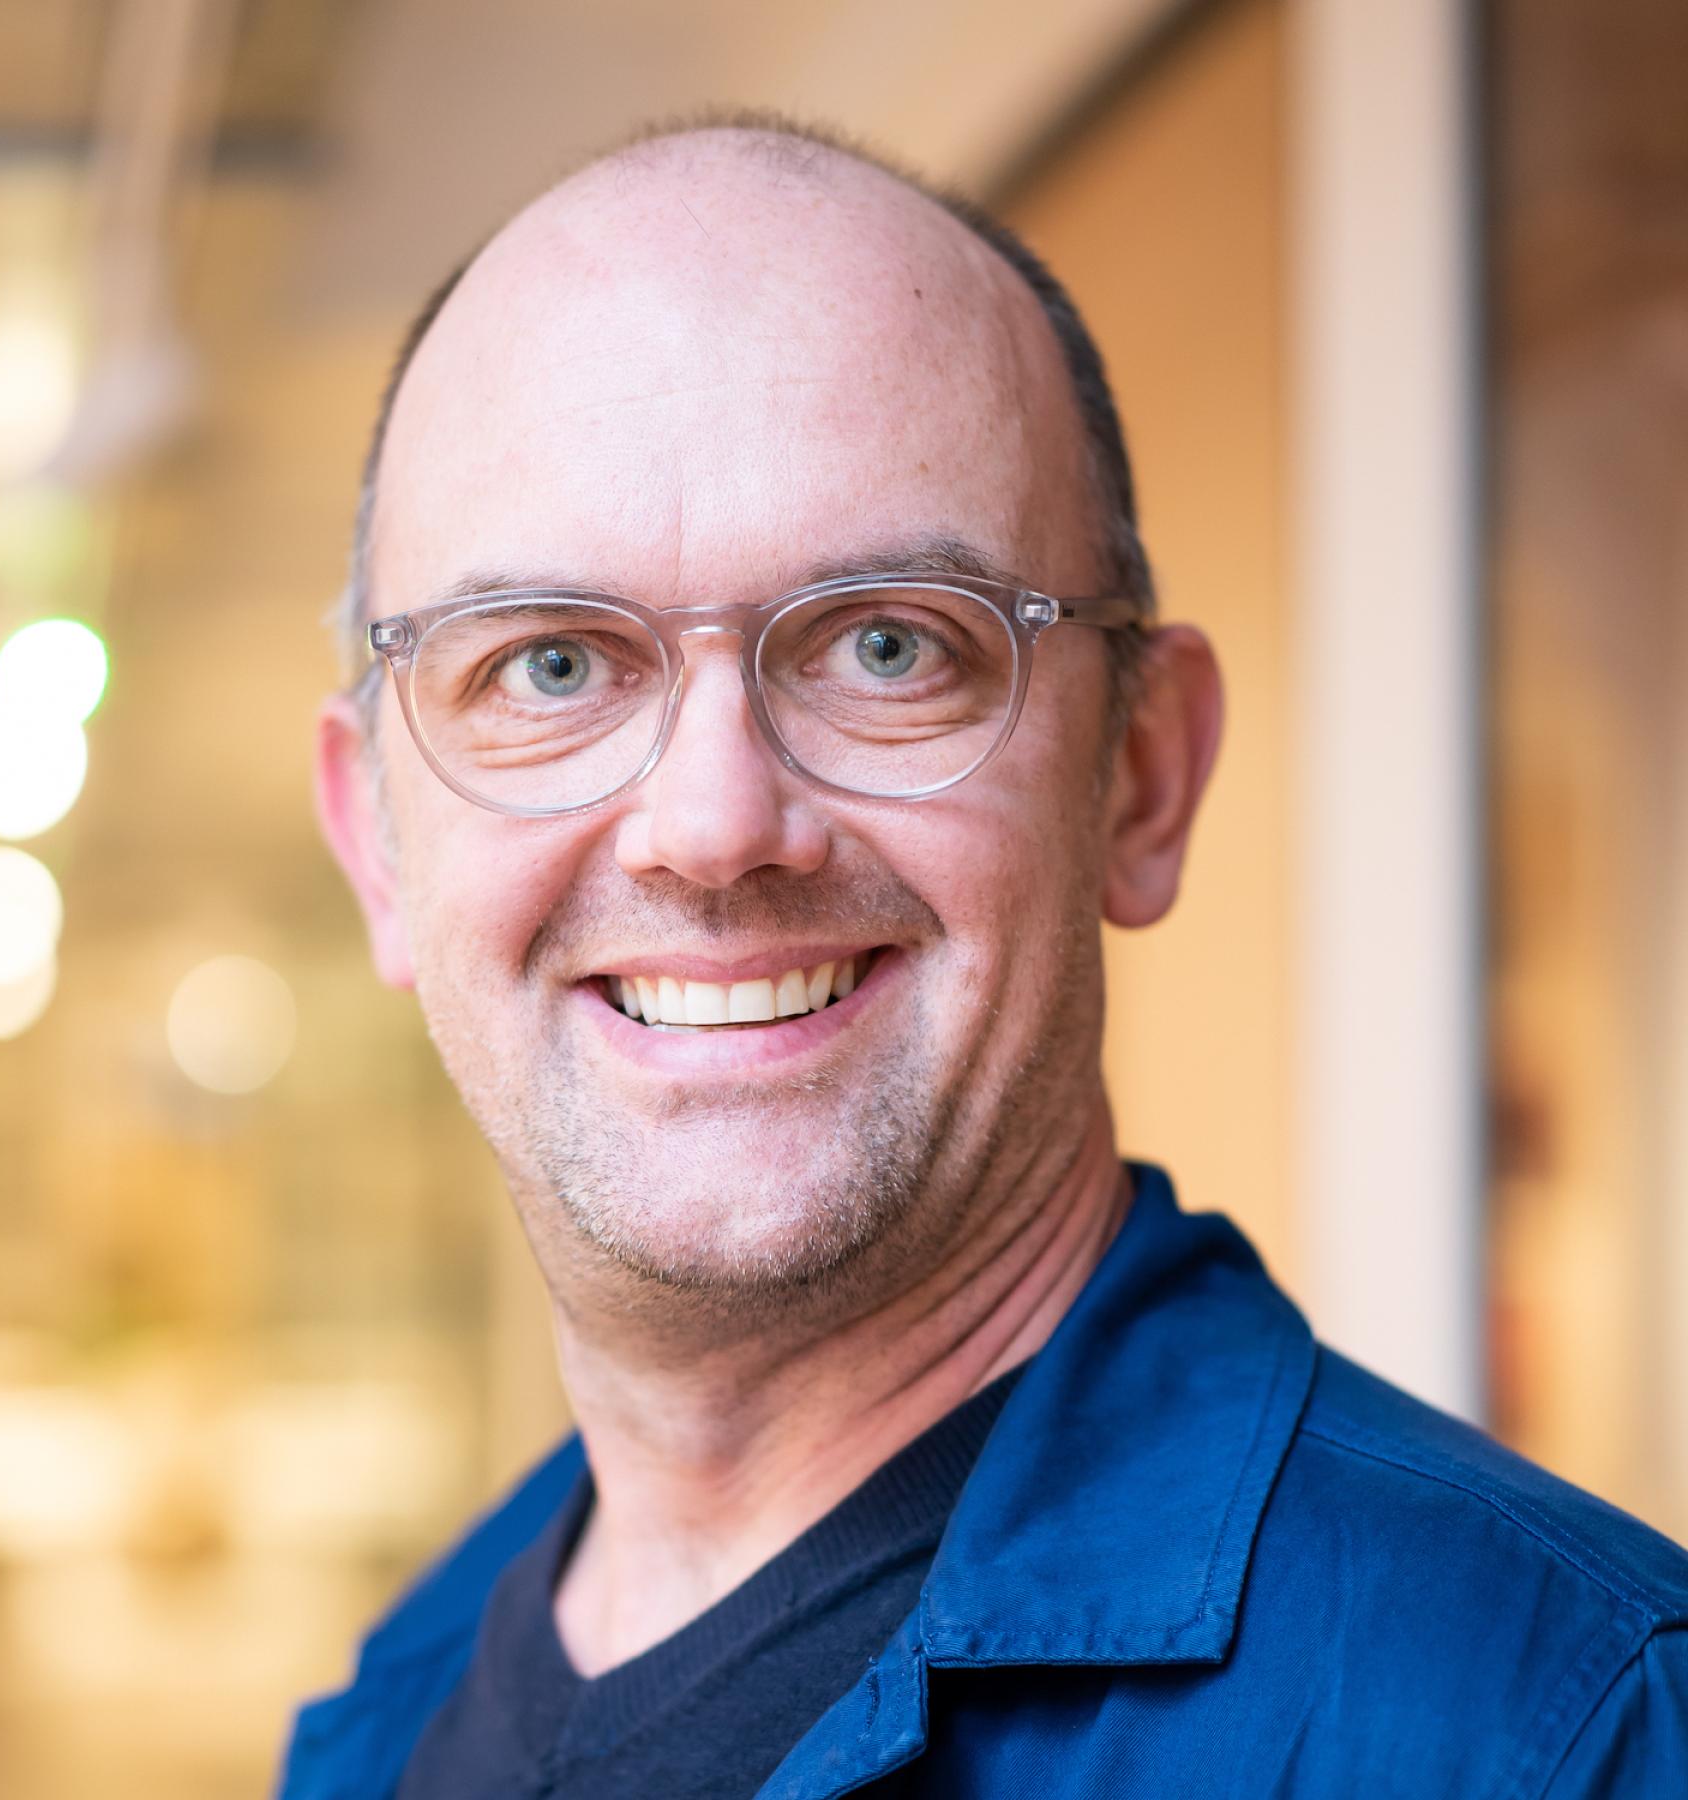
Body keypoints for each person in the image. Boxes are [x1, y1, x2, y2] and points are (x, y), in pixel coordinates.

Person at [288, 114, 1688, 1798]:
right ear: (374, 838)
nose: (715, 823)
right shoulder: (383, 1724)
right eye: (552, 670)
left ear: (1145, 777)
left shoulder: (1560, 1736)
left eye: (889, 645)